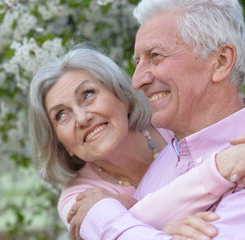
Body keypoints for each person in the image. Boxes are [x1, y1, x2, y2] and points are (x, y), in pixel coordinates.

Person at [67, 0, 245, 239]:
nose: (136, 81)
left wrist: (99, 214)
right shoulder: (166, 154)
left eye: (156, 56)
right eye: (137, 62)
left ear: (221, 61)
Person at [28, 47, 245, 239]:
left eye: (87, 95)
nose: (82, 118)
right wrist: (224, 166)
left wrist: (121, 214)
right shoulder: (77, 200)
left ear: (122, 97)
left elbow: (111, 226)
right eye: (61, 115)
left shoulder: (169, 122)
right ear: (60, 143)